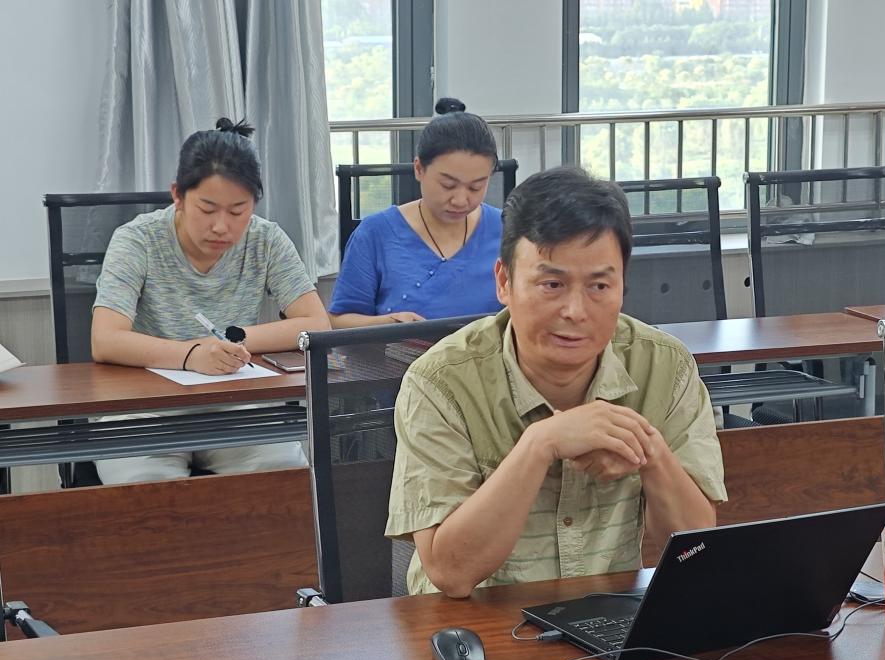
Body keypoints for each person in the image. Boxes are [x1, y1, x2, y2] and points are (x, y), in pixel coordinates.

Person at [385, 166, 726, 597]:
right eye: (552, 284)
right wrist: (540, 443)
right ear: (504, 281)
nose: (576, 311)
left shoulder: (664, 366)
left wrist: (649, 452)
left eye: (599, 286)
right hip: (474, 625)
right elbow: (450, 573)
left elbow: (695, 549)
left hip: (606, 618)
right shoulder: (440, 383)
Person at [91, 117, 331, 484]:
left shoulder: (266, 239)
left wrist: (231, 341)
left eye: (238, 211)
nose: (222, 226)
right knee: (145, 494)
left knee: (284, 480)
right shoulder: (137, 239)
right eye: (207, 209)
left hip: (236, 404)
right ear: (177, 195)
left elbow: (316, 324)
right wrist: (192, 355)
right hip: (144, 407)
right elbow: (105, 339)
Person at [328, 98, 503, 327]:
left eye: (476, 187)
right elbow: (339, 321)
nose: (461, 200)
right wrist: (389, 324)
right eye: (448, 185)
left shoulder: (508, 230)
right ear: (419, 169)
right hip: (400, 351)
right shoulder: (376, 234)